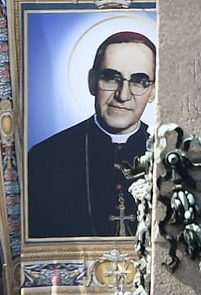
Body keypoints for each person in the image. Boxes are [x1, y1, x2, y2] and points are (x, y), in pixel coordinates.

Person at [27, 31, 156, 238]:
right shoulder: (45, 158)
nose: (123, 95)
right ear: (92, 81)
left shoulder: (168, 156)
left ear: (153, 91)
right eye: (111, 78)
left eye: (138, 81)